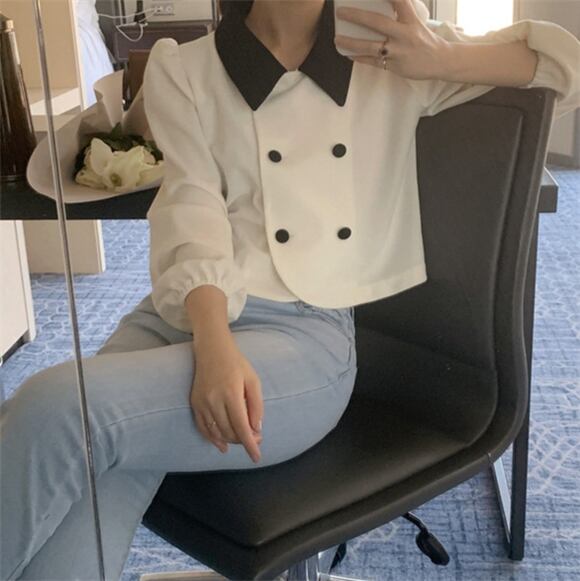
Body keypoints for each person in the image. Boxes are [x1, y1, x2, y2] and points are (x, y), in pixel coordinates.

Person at [1, 0, 579, 579]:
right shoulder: (183, 67)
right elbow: (191, 211)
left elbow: (563, 67)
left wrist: (441, 58)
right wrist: (214, 342)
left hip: (304, 336)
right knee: (91, 476)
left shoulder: (385, 46)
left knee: (57, 408)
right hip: (183, 314)